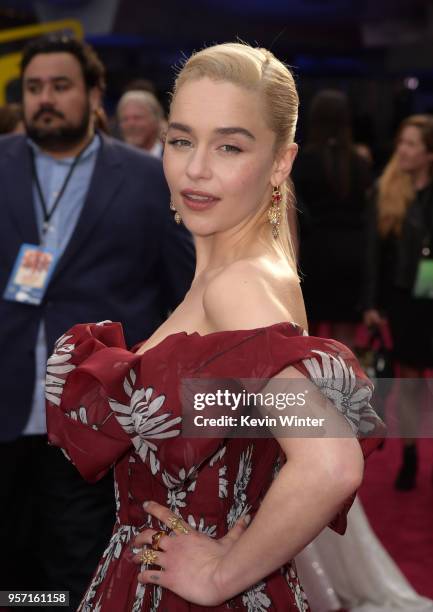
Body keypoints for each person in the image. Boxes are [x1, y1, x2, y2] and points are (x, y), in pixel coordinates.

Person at [46, 42, 384, 611]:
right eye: (181, 140)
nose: (195, 168)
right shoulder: (245, 274)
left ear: (281, 162)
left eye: (229, 146)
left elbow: (330, 462)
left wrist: (221, 574)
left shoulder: (238, 289)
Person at [0, 34, 194, 610]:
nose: (45, 99)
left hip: (98, 415)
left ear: (93, 93)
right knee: (14, 567)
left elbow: (181, 292)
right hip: (6, 402)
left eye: (60, 86)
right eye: (34, 88)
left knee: (79, 560)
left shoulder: (146, 176)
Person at [364, 114, 433, 490]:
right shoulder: (385, 190)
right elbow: (374, 255)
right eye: (401, 143)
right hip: (405, 301)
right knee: (408, 383)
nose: (402, 151)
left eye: (411, 144)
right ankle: (409, 455)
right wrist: (370, 304)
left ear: (429, 154)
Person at [292, 89, 372, 349]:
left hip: (315, 254)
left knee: (308, 332)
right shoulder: (360, 162)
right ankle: (346, 388)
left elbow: (297, 213)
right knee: (345, 336)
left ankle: (312, 388)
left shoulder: (302, 161)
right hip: (353, 253)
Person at [117, 90, 165, 157]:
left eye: (137, 118)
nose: (131, 124)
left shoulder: (171, 158)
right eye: (125, 119)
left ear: (155, 120)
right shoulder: (112, 160)